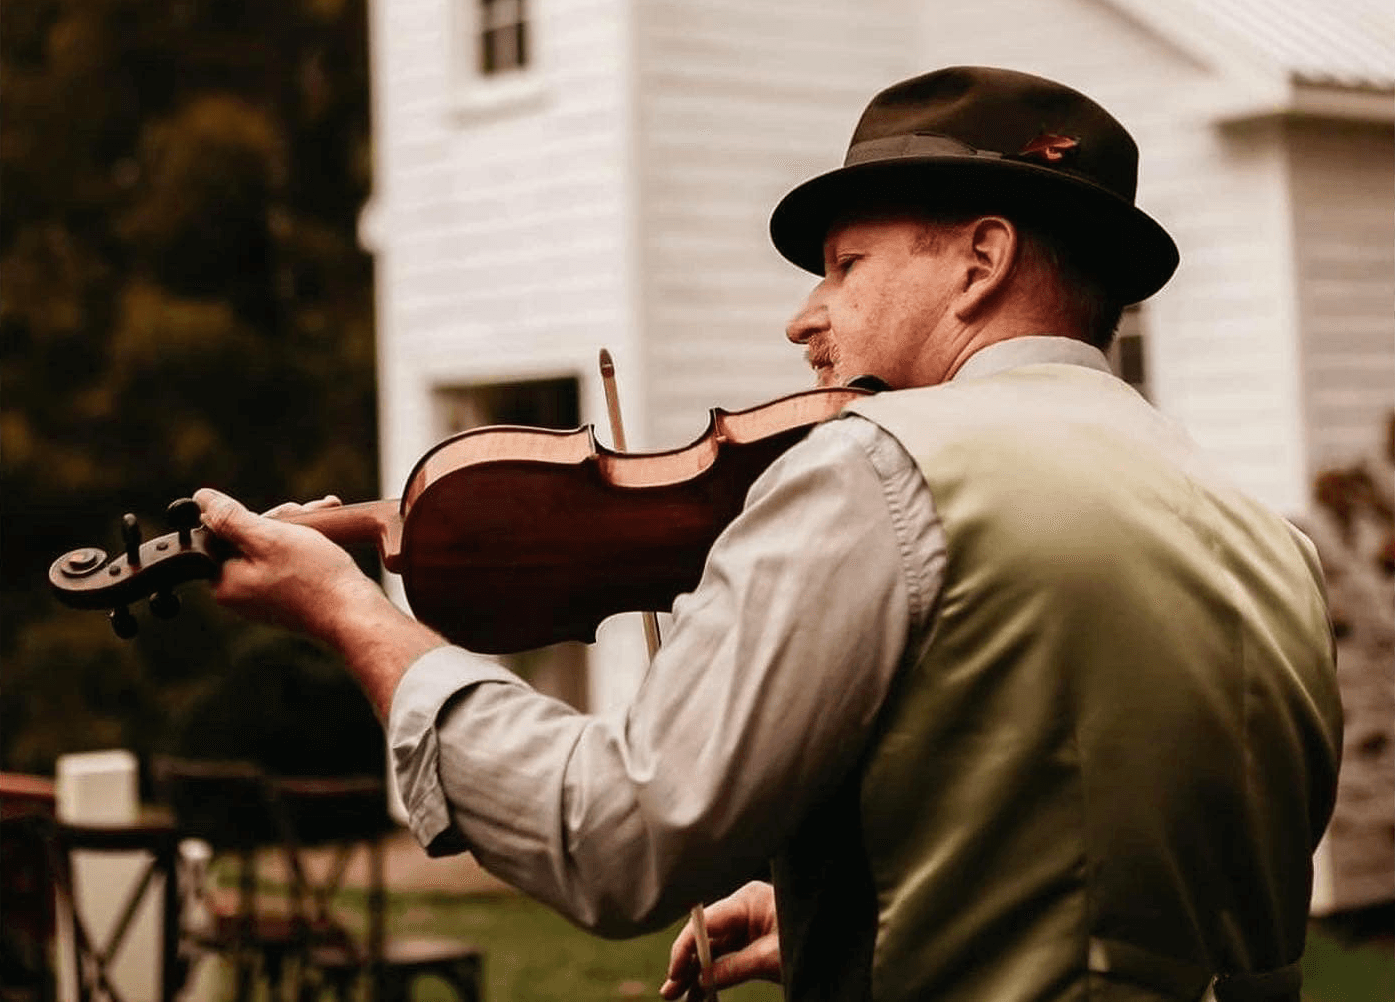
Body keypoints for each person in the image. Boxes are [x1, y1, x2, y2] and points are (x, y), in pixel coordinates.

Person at [196, 66, 1343, 1002]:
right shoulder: (1268, 542)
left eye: (846, 265)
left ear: (981, 262)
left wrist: (349, 612)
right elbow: (1119, 884)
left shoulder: (880, 467)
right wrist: (859, 925)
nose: (805, 317)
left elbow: (615, 833)